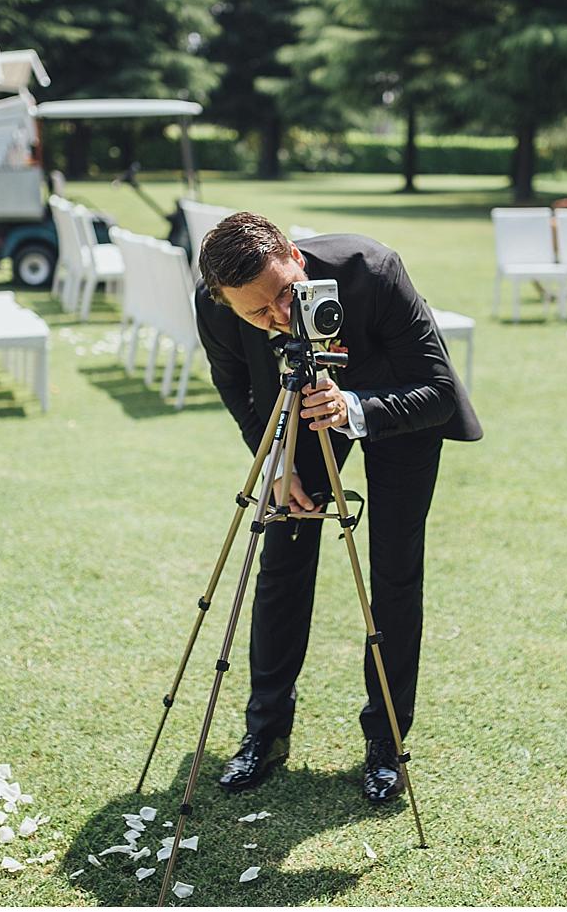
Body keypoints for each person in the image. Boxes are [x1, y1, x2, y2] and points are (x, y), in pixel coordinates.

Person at [193, 212, 482, 805]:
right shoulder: (214, 303)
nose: (277, 318)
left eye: (282, 296)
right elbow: (238, 389)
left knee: (395, 573)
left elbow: (438, 391)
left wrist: (352, 408)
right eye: (257, 313)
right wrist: (275, 463)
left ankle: (386, 741)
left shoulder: (372, 270)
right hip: (300, 417)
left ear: (294, 256)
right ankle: (265, 733)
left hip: (394, 409)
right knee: (280, 563)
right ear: (225, 301)